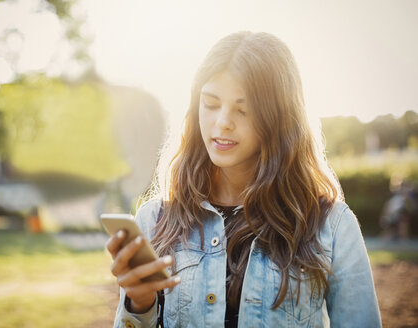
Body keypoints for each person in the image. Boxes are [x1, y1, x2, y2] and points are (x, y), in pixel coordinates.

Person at [105, 31, 382, 328]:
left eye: (243, 109)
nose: (222, 121)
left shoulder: (332, 226)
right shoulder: (155, 220)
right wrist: (139, 303)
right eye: (210, 104)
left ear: (278, 118)